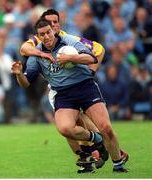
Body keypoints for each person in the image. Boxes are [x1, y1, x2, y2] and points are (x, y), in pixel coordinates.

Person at [12, 18, 128, 173]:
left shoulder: (69, 41)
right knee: (65, 129)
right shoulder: (36, 55)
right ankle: (96, 140)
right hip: (63, 94)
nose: (46, 36)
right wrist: (19, 74)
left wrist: (72, 58)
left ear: (53, 31)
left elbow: (91, 58)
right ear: (37, 37)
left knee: (106, 127)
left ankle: (118, 164)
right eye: (42, 34)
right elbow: (26, 83)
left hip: (85, 87)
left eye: (48, 32)